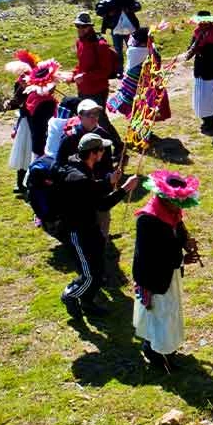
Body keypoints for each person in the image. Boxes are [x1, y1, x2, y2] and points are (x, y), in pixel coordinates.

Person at [60, 133, 140, 317]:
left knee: (98, 269)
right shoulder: (77, 176)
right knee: (91, 275)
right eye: (102, 149)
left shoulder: (81, 165)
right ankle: (70, 294)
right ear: (94, 153)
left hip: (90, 226)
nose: (105, 152)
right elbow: (101, 203)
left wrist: (109, 181)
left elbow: (92, 191)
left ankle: (87, 302)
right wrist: (125, 188)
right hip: (78, 232)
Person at [132, 170, 200, 369]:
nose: (178, 207)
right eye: (175, 202)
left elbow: (178, 226)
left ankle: (166, 346)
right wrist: (181, 259)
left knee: (169, 312)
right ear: (163, 196)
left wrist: (185, 241)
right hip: (155, 277)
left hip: (169, 274)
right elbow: (153, 256)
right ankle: (155, 351)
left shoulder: (171, 211)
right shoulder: (148, 220)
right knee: (160, 314)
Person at [58, 98, 124, 237]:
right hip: (77, 190)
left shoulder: (103, 136)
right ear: (80, 116)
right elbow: (60, 164)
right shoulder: (70, 138)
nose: (94, 118)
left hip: (99, 187)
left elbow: (107, 165)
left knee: (102, 217)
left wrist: (109, 178)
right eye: (90, 114)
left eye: (96, 114)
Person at [4, 50, 41, 195]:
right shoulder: (19, 83)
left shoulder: (38, 82)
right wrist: (10, 103)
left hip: (34, 120)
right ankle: (20, 183)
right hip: (26, 120)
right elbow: (18, 101)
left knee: (31, 150)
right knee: (24, 151)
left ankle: (30, 182)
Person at [185, 11, 213, 133]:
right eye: (200, 21)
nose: (201, 23)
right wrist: (192, 49)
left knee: (208, 97)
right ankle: (205, 119)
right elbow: (190, 48)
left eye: (203, 21)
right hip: (199, 68)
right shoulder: (198, 32)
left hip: (210, 68)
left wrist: (200, 49)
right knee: (200, 96)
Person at [95, 0, 142, 77]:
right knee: (118, 51)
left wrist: (129, 9)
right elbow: (99, 10)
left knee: (132, 49)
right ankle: (120, 71)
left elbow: (138, 6)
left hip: (129, 28)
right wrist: (109, 13)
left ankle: (133, 69)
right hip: (116, 28)